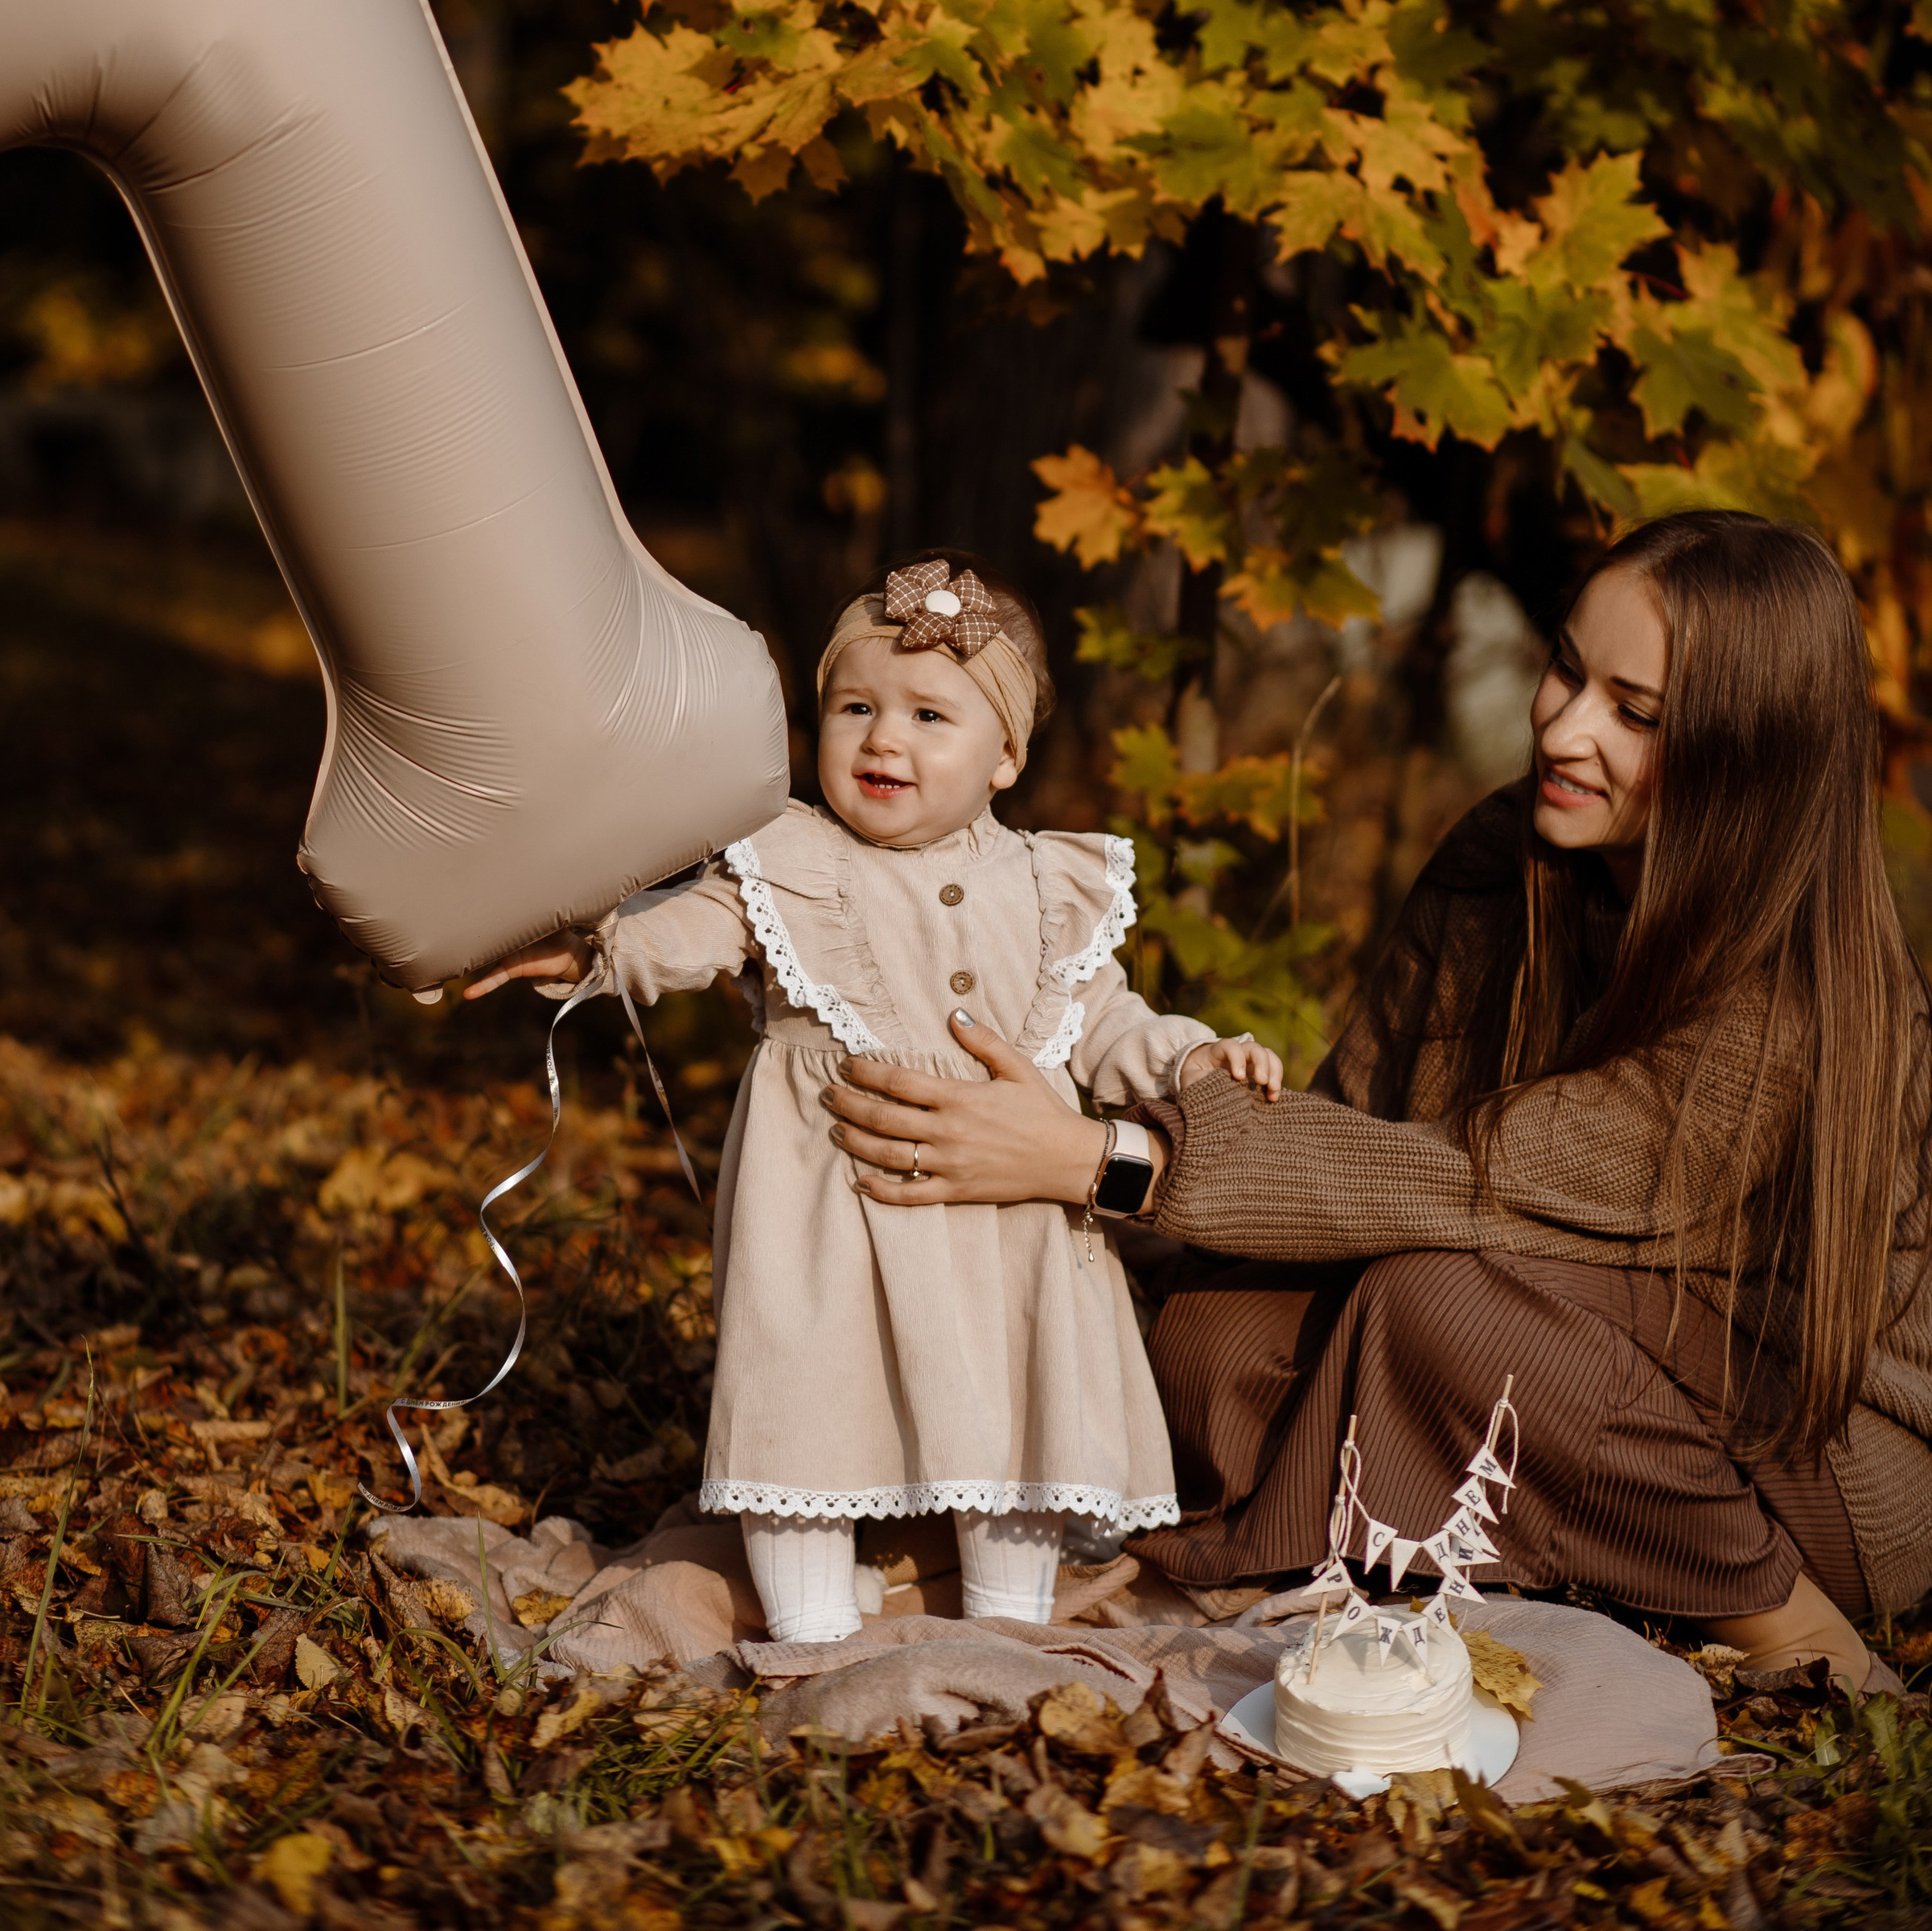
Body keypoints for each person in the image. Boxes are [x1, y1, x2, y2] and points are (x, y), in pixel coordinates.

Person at [820, 513, 1932, 1692]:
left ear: (1744, 753)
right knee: (1218, 1331)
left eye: (1637, 713)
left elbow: (1473, 1177)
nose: (1562, 725)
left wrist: (1106, 1162)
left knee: (1444, 1310)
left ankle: (1795, 1631)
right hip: (1550, 1326)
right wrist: (1081, 1249)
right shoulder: (1505, 860)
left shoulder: (1789, 1000)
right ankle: (1398, 1541)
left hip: (1815, 1453)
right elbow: (1356, 1136)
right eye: (1565, 667)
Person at [467, 552, 1278, 1642]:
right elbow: (691, 936)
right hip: (829, 1221)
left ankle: (1006, 1629)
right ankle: (809, 1632)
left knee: (1013, 1405)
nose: (882, 740)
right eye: (855, 707)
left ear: (1007, 756)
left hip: (1010, 1229)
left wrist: (1191, 1062)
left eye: (929, 716)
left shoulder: (1051, 885)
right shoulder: (790, 861)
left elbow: (1107, 1023)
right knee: (809, 1400)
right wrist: (598, 953)